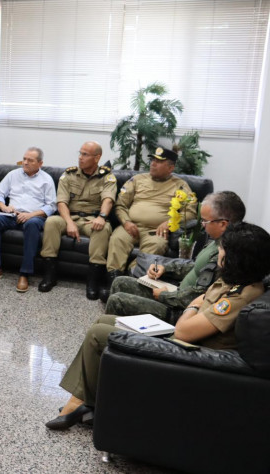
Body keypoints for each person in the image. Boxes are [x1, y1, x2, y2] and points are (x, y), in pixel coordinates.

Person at [46, 222, 270, 430]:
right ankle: (89, 399)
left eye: (223, 249)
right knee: (102, 322)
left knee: (97, 334)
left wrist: (191, 306)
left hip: (186, 350)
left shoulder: (241, 296)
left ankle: (78, 402)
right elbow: (200, 302)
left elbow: (185, 329)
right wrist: (195, 306)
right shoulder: (235, 279)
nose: (219, 252)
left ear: (236, 258)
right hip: (186, 336)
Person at [104, 191, 244, 321]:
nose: (202, 226)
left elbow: (201, 294)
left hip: (179, 310)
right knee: (120, 282)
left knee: (118, 300)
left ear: (223, 224)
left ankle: (117, 338)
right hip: (175, 295)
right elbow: (195, 266)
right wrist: (166, 268)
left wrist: (164, 295)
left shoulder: (225, 252)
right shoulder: (217, 240)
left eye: (205, 221)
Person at [99, 147, 196, 301]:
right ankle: (112, 282)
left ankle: (132, 281)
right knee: (117, 240)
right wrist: (126, 222)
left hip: (155, 231)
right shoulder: (137, 180)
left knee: (156, 246)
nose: (153, 164)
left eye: (159, 161)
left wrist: (170, 223)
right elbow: (121, 205)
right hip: (130, 226)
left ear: (171, 167)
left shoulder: (180, 185)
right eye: (153, 160)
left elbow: (190, 212)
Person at [38, 142, 116, 299]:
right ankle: (49, 275)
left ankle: (93, 281)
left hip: (92, 218)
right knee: (52, 222)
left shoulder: (107, 177)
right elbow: (61, 202)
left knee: (103, 228)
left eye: (85, 154)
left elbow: (108, 199)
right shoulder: (69, 175)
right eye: (80, 153)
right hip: (70, 216)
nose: (80, 157)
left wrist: (101, 217)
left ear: (97, 157)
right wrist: (69, 222)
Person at [0, 147, 57, 292]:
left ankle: (25, 273)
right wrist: (3, 207)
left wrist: (31, 215)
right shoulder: (13, 175)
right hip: (12, 215)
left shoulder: (46, 179)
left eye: (30, 160)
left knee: (32, 225)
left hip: (34, 217)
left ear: (40, 163)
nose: (25, 162)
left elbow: (51, 206)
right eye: (24, 159)